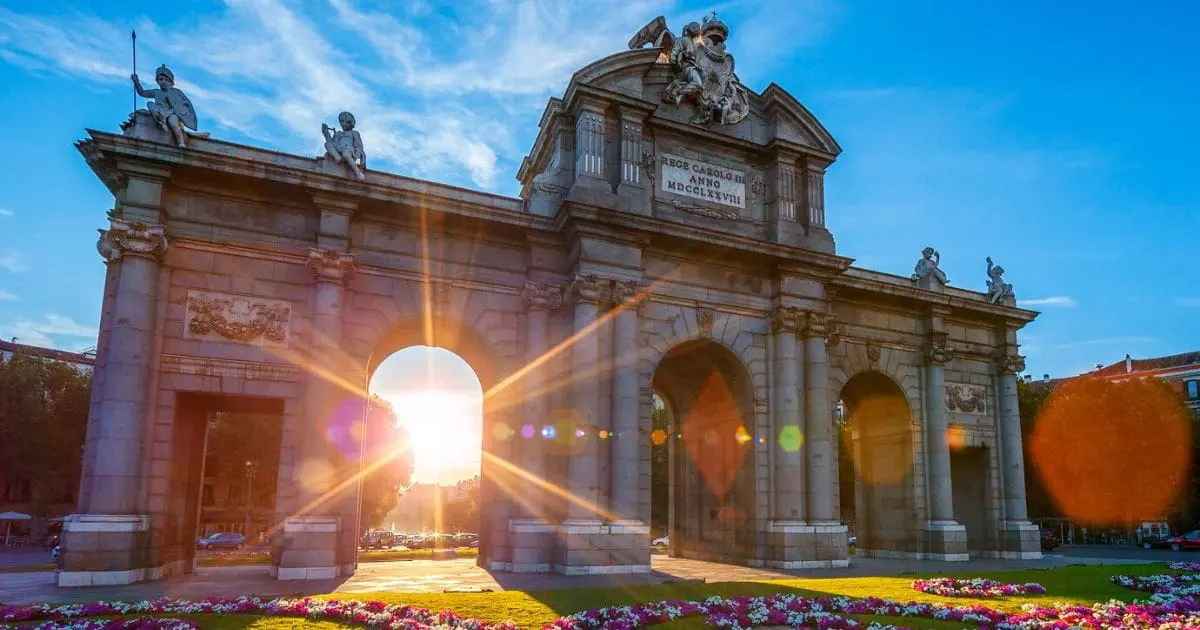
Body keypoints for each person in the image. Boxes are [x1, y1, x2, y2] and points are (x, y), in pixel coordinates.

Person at [131, 65, 197, 148]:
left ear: (171, 82)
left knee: (173, 124)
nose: (163, 81)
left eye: (166, 80)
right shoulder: (156, 92)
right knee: (150, 104)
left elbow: (182, 104)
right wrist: (136, 82)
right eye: (161, 79)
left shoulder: (175, 92)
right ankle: (161, 121)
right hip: (159, 110)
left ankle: (181, 143)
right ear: (157, 81)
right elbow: (142, 93)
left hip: (171, 112)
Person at [322, 111, 367, 181]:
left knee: (346, 154)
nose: (343, 124)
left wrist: (362, 158)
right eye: (342, 121)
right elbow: (331, 142)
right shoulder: (338, 133)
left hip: (349, 150)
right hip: (338, 149)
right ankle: (337, 157)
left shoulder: (354, 133)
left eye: (346, 122)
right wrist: (326, 133)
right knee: (327, 144)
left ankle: (358, 173)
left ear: (351, 123)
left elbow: (359, 146)